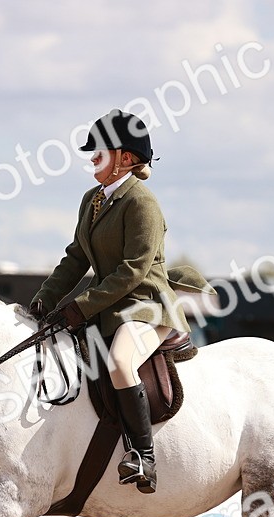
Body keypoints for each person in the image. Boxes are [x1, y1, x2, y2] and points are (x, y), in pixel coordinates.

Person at [28, 109, 212, 494]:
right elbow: (76, 257)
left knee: (119, 362)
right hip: (109, 308)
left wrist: (82, 306)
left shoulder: (142, 203)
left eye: (100, 150)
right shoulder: (91, 200)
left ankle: (144, 457)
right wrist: (45, 299)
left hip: (147, 306)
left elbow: (133, 271)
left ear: (125, 159)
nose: (92, 156)